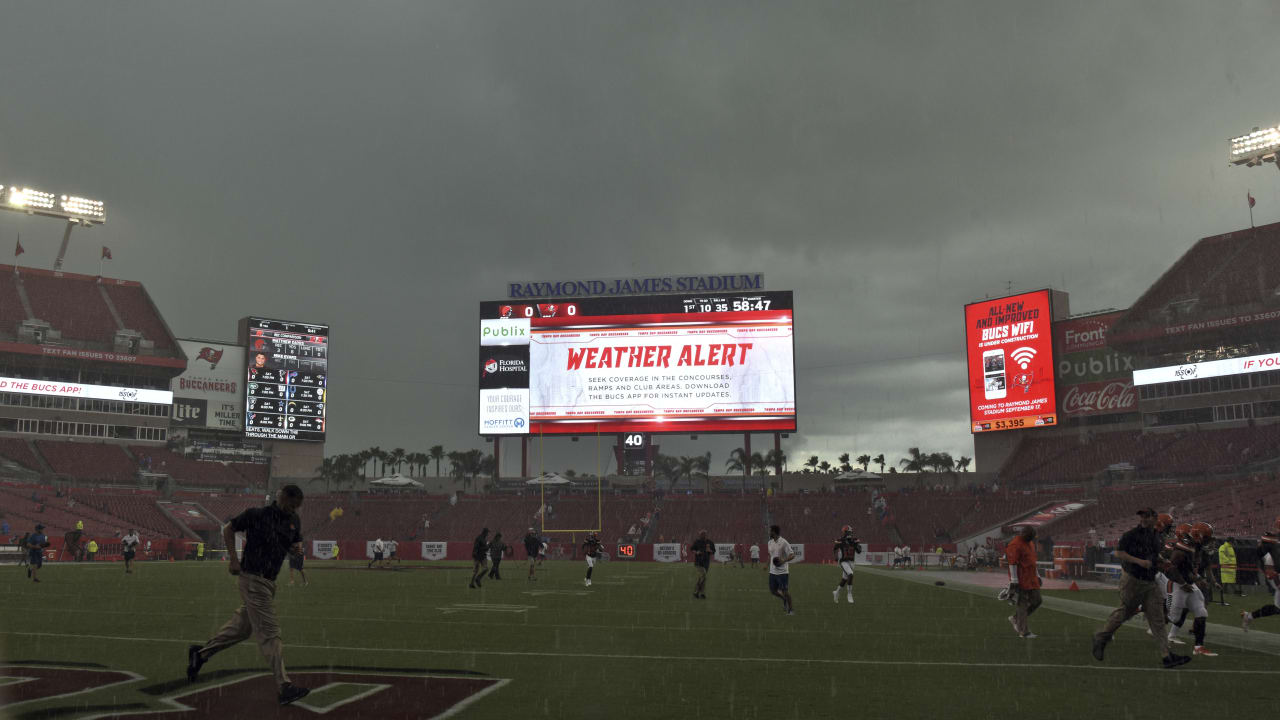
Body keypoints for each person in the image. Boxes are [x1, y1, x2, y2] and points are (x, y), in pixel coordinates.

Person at [186, 484, 310, 706]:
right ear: (280, 498)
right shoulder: (257, 515)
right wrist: (233, 559)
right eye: (290, 504)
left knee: (242, 629)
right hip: (252, 579)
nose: (293, 509)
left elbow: (293, 543)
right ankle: (284, 686)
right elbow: (228, 529)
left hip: (269, 583)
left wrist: (295, 549)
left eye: (296, 506)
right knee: (270, 633)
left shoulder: (294, 521)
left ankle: (201, 654)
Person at [1091, 508, 1191, 669]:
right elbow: (1118, 553)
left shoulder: (1155, 537)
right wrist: (1139, 561)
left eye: (1147, 516)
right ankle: (1101, 637)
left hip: (1150, 581)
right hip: (1133, 580)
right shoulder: (1131, 535)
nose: (1143, 519)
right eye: (1142, 516)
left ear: (1154, 519)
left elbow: (1153, 555)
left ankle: (1167, 656)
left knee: (1157, 617)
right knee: (1126, 611)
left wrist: (1161, 561)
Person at [1165, 522, 1217, 656]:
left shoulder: (1195, 547)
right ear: (1198, 536)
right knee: (1174, 618)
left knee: (1201, 611)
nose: (1208, 540)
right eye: (1206, 537)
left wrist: (1198, 579)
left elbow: (1188, 569)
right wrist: (1183, 584)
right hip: (1177, 584)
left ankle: (1198, 647)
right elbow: (1170, 569)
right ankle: (1146, 609)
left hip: (1188, 584)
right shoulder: (1183, 549)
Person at [1241, 517, 1280, 631]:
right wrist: (1268, 572)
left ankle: (1249, 616)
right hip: (1276, 574)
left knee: (1277, 609)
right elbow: (1262, 557)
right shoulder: (1272, 541)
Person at [1005, 525, 1042, 638]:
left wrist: (1037, 575)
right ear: (1024, 534)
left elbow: (1032, 561)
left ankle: (1016, 619)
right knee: (1022, 604)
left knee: (1037, 600)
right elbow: (1012, 563)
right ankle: (1023, 631)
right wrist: (1014, 580)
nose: (1032, 539)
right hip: (1021, 578)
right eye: (1030, 536)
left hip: (1031, 577)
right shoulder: (1015, 545)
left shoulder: (1029, 543)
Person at [768, 525, 796, 615]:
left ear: (774, 532)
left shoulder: (784, 542)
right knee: (773, 591)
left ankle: (791, 610)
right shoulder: (769, 542)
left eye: (770, 531)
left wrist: (783, 561)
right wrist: (766, 565)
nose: (769, 533)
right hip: (772, 571)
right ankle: (783, 599)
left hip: (782, 572)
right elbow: (771, 555)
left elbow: (792, 555)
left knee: (785, 591)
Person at [832, 526, 861, 604]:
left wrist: (855, 545)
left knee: (844, 579)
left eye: (845, 532)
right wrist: (836, 557)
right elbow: (835, 548)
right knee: (850, 574)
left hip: (851, 562)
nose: (845, 533)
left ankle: (836, 592)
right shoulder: (841, 540)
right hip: (843, 561)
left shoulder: (854, 540)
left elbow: (859, 551)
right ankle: (849, 594)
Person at [690, 530, 715, 599]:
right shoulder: (697, 542)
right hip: (698, 562)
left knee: (702, 578)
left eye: (703, 534)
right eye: (701, 534)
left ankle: (698, 593)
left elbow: (713, 551)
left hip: (706, 563)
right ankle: (701, 593)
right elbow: (692, 549)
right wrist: (696, 552)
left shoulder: (710, 542)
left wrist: (710, 551)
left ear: (706, 535)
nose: (702, 536)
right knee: (703, 576)